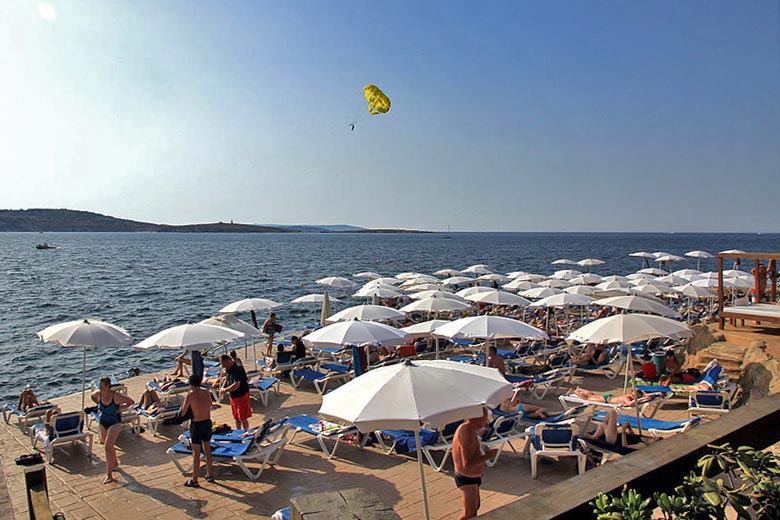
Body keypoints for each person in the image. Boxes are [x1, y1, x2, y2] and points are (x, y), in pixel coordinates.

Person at [452, 410, 498, 520]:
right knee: (469, 514)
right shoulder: (466, 433)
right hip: (466, 477)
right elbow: (467, 464)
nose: (485, 422)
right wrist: (489, 455)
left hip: (474, 477)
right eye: (484, 419)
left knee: (475, 507)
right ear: (476, 419)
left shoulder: (471, 430)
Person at [91, 377, 134, 484]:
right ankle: (114, 463)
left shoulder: (116, 396)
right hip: (103, 421)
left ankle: (109, 474)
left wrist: (120, 408)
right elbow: (92, 396)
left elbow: (130, 401)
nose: (100, 388)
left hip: (114, 422)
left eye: (102, 386)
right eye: (99, 386)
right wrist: (98, 405)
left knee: (107, 446)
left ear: (107, 386)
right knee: (108, 446)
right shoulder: (98, 394)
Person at [180, 374, 214, 487]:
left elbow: (183, 412)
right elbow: (210, 405)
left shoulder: (190, 396)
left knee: (196, 453)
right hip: (207, 422)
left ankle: (195, 479)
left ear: (191, 384)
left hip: (197, 424)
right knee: (207, 449)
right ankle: (209, 474)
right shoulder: (207, 392)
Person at [583, 408, 655, 453]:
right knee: (603, 424)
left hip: (614, 440)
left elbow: (625, 446)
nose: (653, 438)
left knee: (613, 412)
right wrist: (629, 428)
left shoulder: (642, 445)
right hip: (616, 435)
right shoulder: (644, 439)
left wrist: (623, 431)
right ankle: (594, 437)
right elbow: (633, 437)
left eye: (654, 439)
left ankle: (594, 435)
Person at [220, 354, 251, 430]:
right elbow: (227, 378)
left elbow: (236, 385)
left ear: (228, 361)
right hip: (233, 396)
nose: (224, 367)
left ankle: (246, 431)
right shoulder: (228, 368)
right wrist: (223, 387)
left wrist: (225, 390)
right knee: (236, 417)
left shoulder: (237, 369)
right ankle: (238, 431)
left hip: (241, 395)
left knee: (243, 417)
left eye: (224, 364)